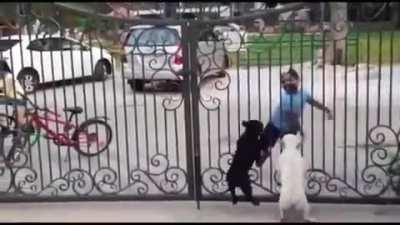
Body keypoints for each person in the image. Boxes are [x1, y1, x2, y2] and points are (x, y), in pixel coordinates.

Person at [257, 68, 333, 166]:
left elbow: (314, 102)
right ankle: (264, 153)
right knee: (265, 144)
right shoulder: (286, 98)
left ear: (298, 80)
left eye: (290, 80)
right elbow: (291, 116)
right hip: (276, 124)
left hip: (286, 127)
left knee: (287, 150)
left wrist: (326, 109)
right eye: (284, 82)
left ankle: (284, 168)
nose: (287, 83)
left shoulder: (304, 94)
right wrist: (299, 129)